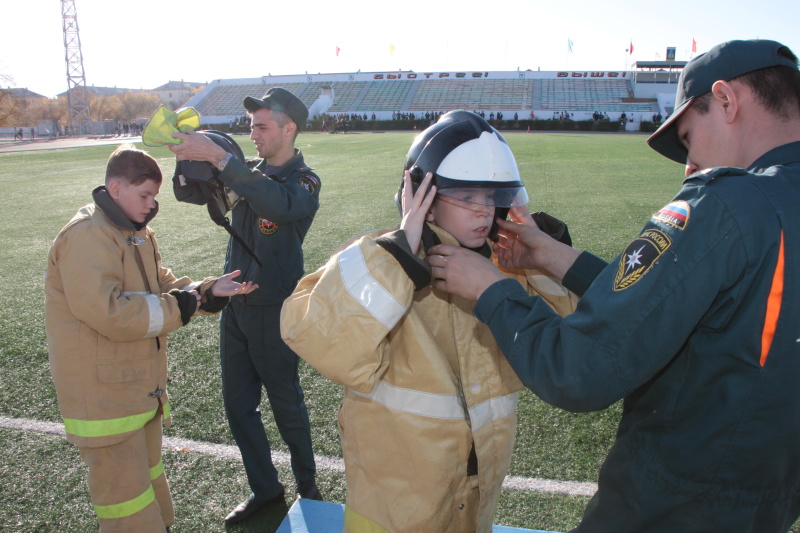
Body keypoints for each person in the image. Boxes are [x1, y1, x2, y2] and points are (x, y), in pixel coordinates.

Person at [425, 39, 800, 532]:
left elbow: (580, 369)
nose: (689, 166)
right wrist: (557, 257)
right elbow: (699, 309)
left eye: (688, 137)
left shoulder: (728, 202)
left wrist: (491, 289)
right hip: (769, 502)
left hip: (669, 506)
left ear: (727, 101)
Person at [281, 111, 577, 532]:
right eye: (468, 197)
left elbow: (576, 334)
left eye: (492, 197)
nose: (483, 211)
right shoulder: (377, 259)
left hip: (473, 500)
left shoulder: (507, 266)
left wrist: (545, 254)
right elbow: (313, 334)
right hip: (393, 508)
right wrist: (399, 255)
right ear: (422, 196)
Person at [45, 144, 256, 532]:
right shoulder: (87, 236)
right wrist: (185, 305)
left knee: (149, 491)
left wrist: (208, 291)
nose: (151, 205)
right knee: (126, 507)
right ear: (115, 188)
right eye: (144, 195)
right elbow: (109, 312)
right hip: (105, 401)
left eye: (154, 196)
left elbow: (162, 285)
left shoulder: (135, 232)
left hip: (136, 392)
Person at [169, 87, 322, 524]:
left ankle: (308, 488)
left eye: (261, 125)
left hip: (274, 307)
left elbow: (278, 202)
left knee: (285, 402)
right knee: (238, 405)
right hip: (233, 303)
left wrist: (220, 159)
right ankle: (265, 488)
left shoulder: (304, 180)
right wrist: (189, 153)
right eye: (250, 125)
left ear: (289, 128)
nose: (252, 132)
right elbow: (193, 196)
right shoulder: (244, 171)